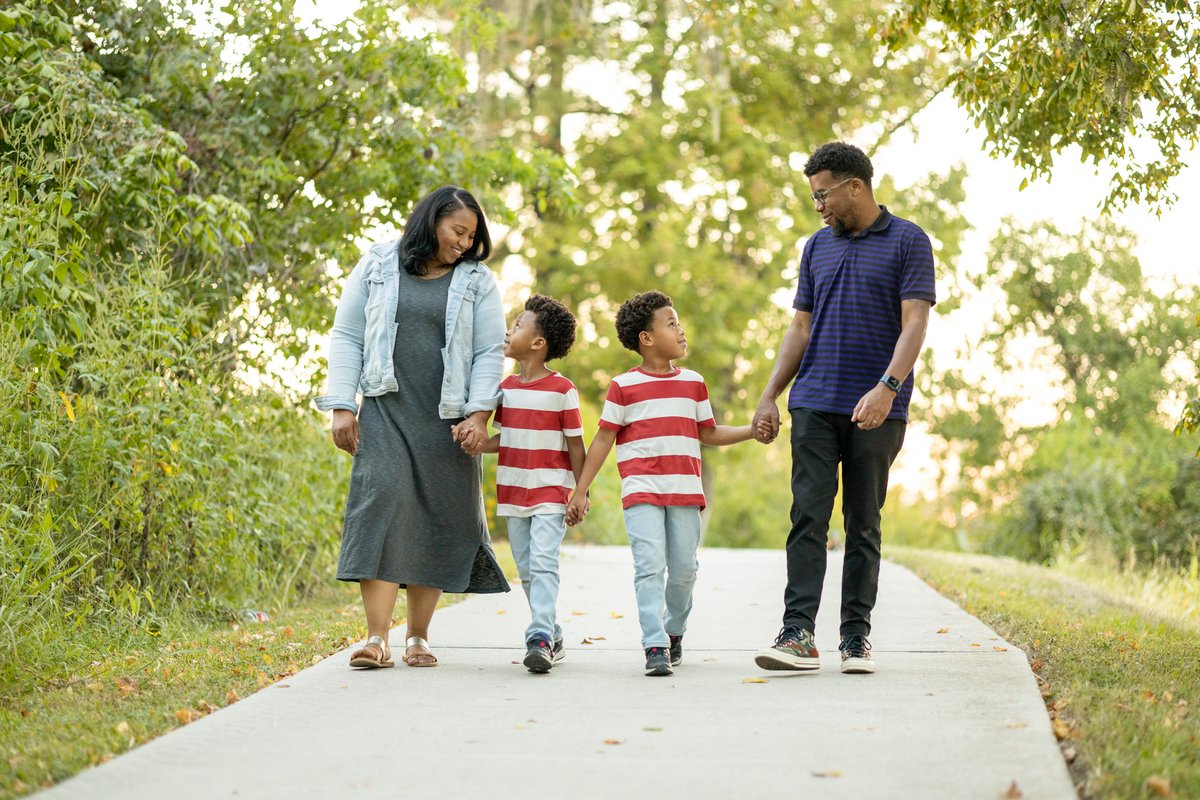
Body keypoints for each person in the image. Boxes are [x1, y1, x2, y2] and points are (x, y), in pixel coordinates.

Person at [751, 142, 936, 675]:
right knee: (806, 516)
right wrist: (770, 395)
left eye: (824, 194)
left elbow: (915, 322)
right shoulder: (816, 247)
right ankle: (797, 633)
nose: (819, 206)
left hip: (878, 408)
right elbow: (800, 328)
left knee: (863, 522)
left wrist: (888, 387)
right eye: (814, 197)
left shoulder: (909, 241)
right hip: (814, 402)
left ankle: (855, 638)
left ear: (856, 186)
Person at [316, 185, 510, 670]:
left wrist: (478, 413)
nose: (464, 243)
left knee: (436, 518)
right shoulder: (378, 265)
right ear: (431, 221)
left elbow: (490, 352)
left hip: (447, 420)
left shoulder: (477, 281)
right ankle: (375, 638)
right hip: (385, 410)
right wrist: (342, 405)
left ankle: (417, 637)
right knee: (378, 507)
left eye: (471, 235)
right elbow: (347, 333)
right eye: (457, 231)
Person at [567, 291, 756, 677]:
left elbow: (710, 433)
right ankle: (654, 643)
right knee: (649, 565)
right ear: (646, 338)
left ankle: (673, 631)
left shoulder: (694, 383)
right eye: (671, 324)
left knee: (685, 568)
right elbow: (603, 438)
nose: (681, 330)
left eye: (679, 322)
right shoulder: (623, 386)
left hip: (685, 491)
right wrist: (580, 489)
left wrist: (752, 430)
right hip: (641, 490)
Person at [469, 295, 586, 674]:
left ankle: (537, 637)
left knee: (543, 562)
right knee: (527, 570)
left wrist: (580, 491)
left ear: (538, 343)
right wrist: (474, 444)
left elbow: (575, 445)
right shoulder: (506, 388)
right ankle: (552, 631)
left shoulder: (562, 390)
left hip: (551, 491)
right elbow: (505, 438)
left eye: (518, 325)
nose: (509, 330)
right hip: (513, 491)